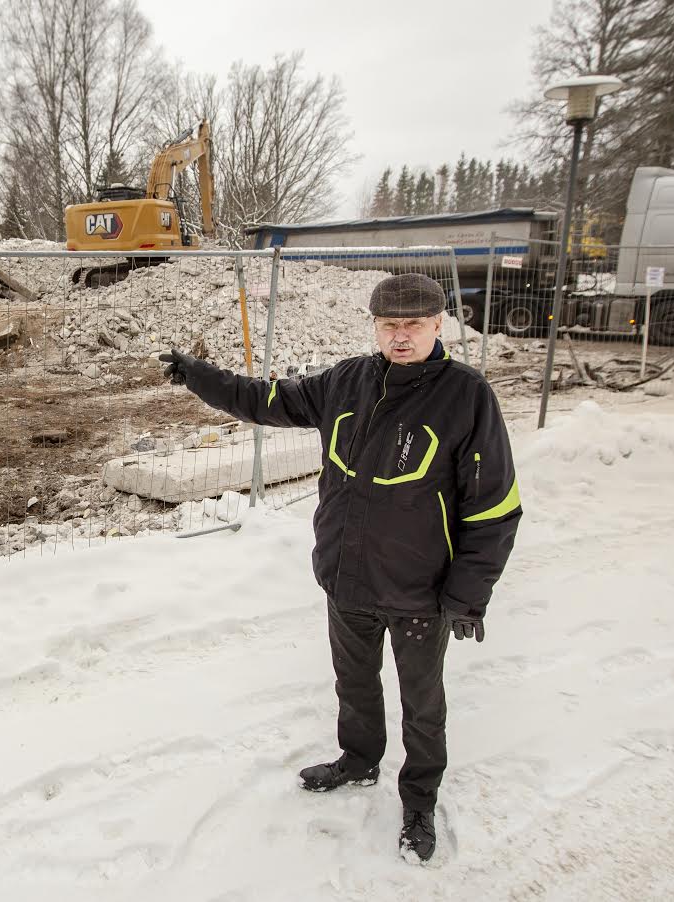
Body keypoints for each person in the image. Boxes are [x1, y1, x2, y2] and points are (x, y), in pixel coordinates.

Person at [158, 273, 522, 863]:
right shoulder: (347, 380)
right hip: (347, 577)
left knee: (421, 703)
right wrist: (200, 376)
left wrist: (467, 594)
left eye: (413, 325)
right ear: (375, 326)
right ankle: (358, 760)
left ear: (439, 325)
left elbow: (495, 506)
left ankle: (420, 797)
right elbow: (267, 401)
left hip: (420, 591)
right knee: (352, 683)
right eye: (389, 325)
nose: (400, 337)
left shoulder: (467, 396)